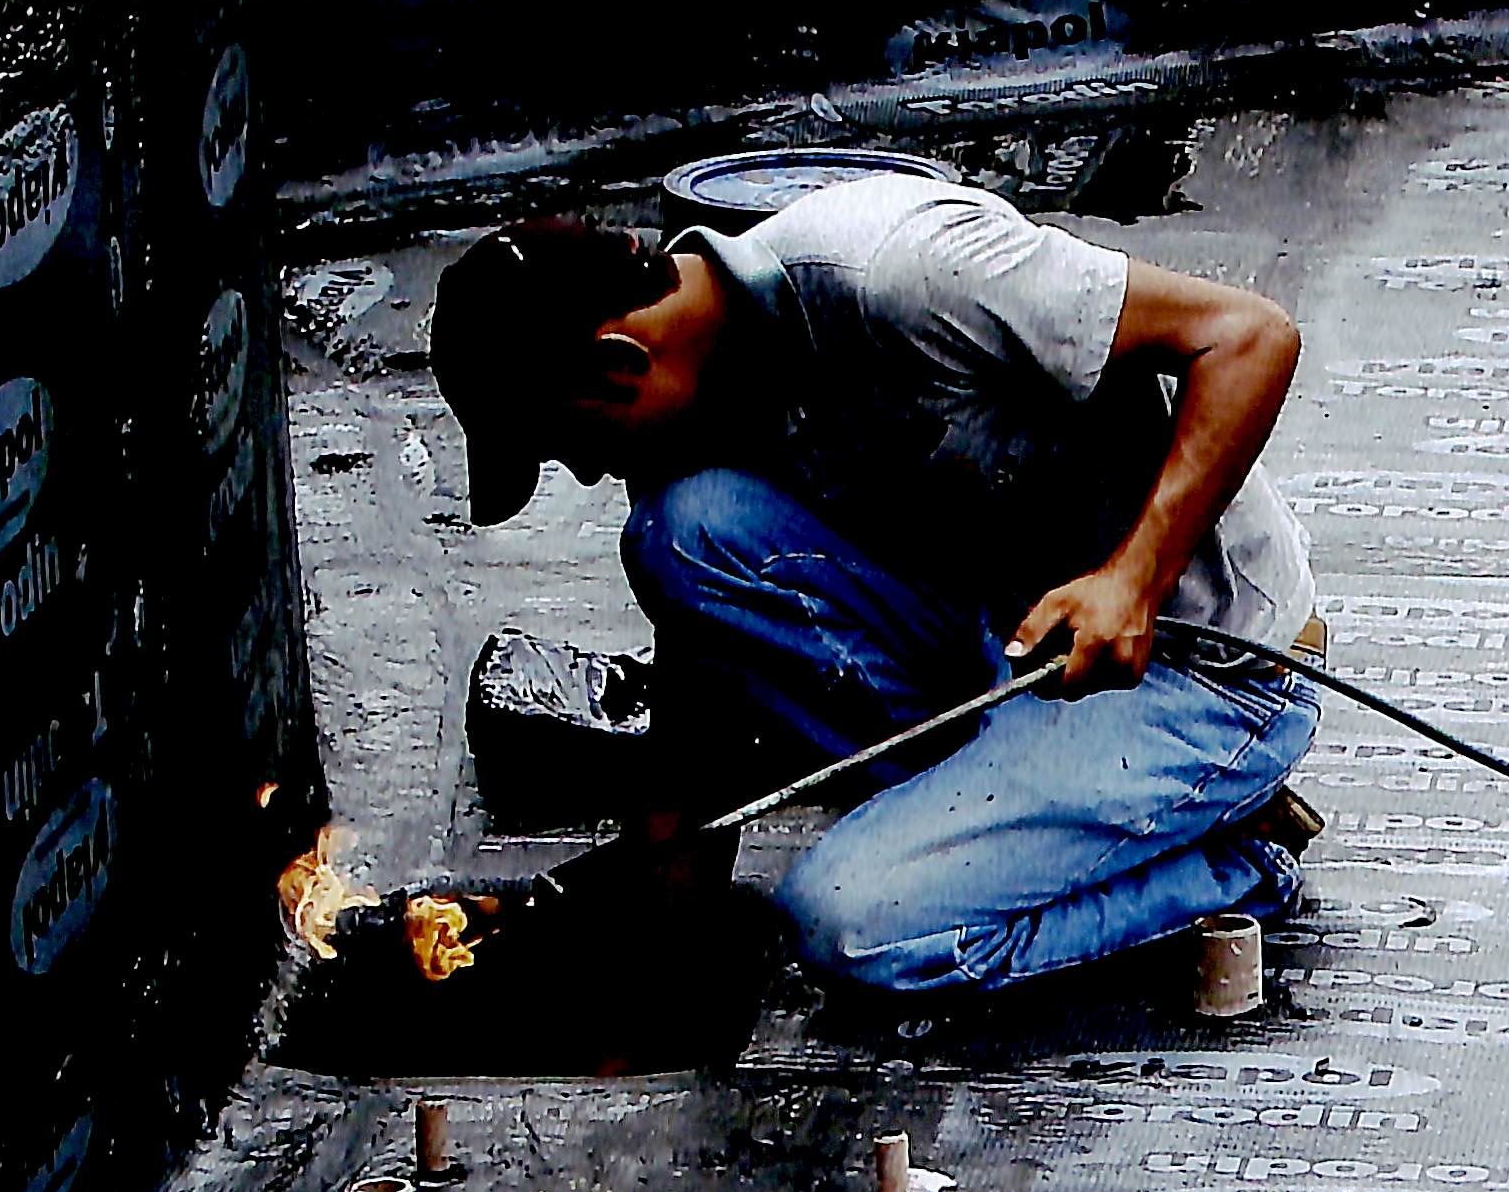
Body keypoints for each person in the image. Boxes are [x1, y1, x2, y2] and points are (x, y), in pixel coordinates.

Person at [428, 170, 1322, 995]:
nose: (584, 471)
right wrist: (671, 854)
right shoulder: (709, 385)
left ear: (617, 363)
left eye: (568, 443)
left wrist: (1134, 578)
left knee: (848, 925)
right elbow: (706, 660)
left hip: (1202, 668)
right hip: (1008, 643)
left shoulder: (900, 271)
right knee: (680, 532)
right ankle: (1014, 816)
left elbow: (1249, 336)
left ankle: (1227, 855)